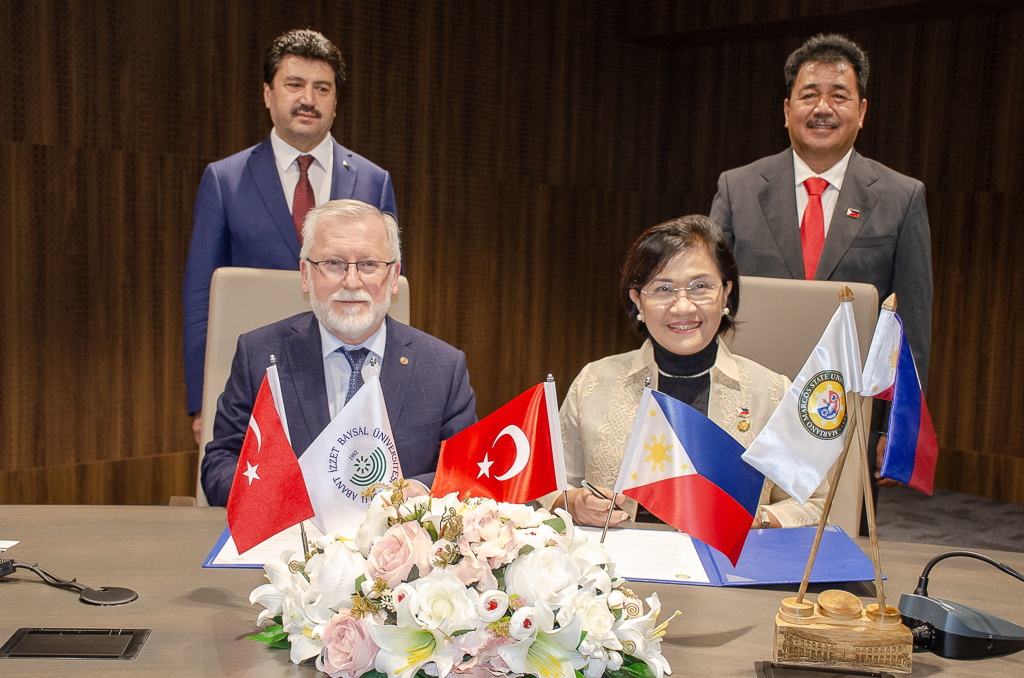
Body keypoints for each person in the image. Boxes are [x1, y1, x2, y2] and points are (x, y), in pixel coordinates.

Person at [183, 28, 398, 444]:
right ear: (268, 94)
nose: (308, 99)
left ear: (336, 101)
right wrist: (201, 401)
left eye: (322, 88)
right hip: (253, 384)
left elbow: (387, 287)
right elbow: (199, 300)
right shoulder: (224, 181)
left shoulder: (374, 181)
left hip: (349, 383)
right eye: (294, 84)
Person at [556, 215, 826, 528]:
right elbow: (552, 488)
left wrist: (758, 520)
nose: (682, 307)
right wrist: (573, 504)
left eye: (700, 286)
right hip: (616, 558)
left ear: (725, 293)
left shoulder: (772, 392)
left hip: (730, 558)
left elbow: (815, 502)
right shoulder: (593, 382)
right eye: (663, 288)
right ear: (638, 301)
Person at [200, 200, 474, 507]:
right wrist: (282, 497)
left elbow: (468, 471)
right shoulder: (259, 355)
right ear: (306, 275)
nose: (352, 282)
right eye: (333, 263)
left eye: (368, 264)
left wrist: (419, 492)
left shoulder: (443, 368)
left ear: (393, 276)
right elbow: (219, 465)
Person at [709, 34, 932, 390]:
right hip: (750, 396)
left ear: (861, 111)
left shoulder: (901, 198)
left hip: (850, 403)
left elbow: (911, 327)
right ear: (787, 111)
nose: (823, 108)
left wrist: (895, 418)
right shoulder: (738, 189)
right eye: (809, 95)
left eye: (839, 96)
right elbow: (709, 296)